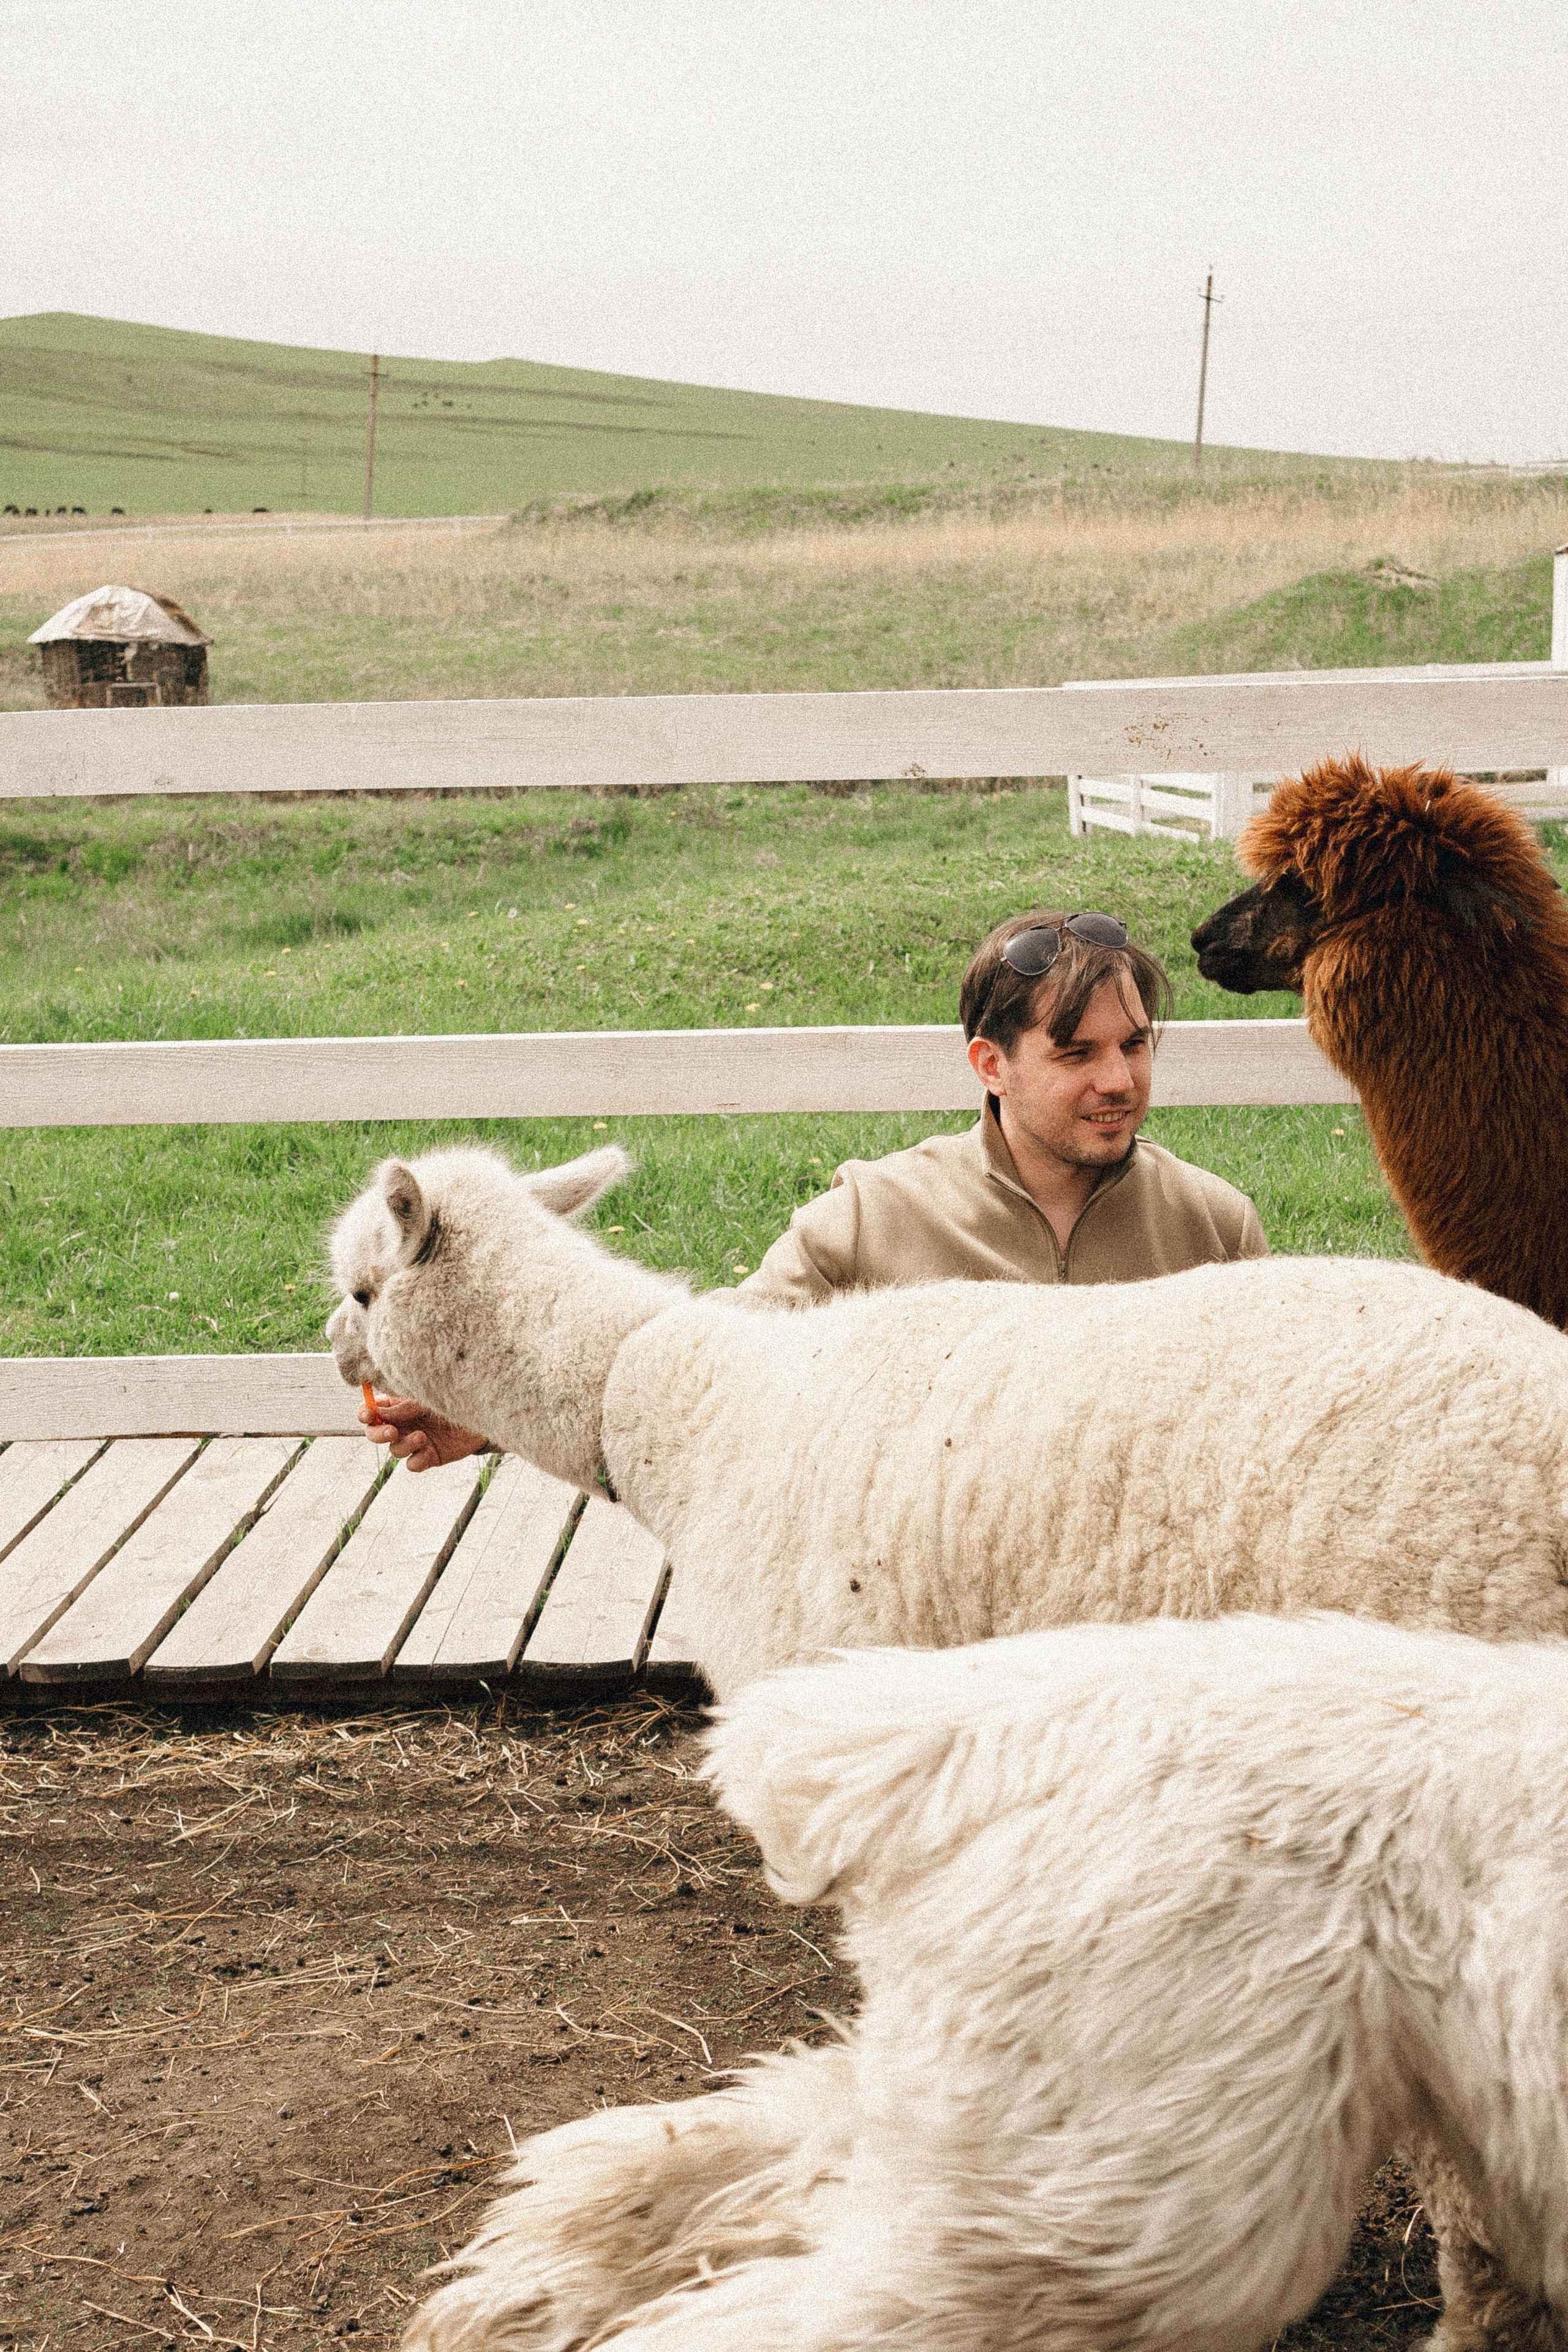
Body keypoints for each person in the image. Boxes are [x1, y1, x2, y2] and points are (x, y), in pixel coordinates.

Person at [359, 907, 1265, 1469]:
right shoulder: (875, 1217)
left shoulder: (1215, 1230)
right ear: (990, 1064)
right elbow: (703, 1372)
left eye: (1135, 1045)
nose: (1119, 1081)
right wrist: (488, 1422)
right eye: (1078, 1054)